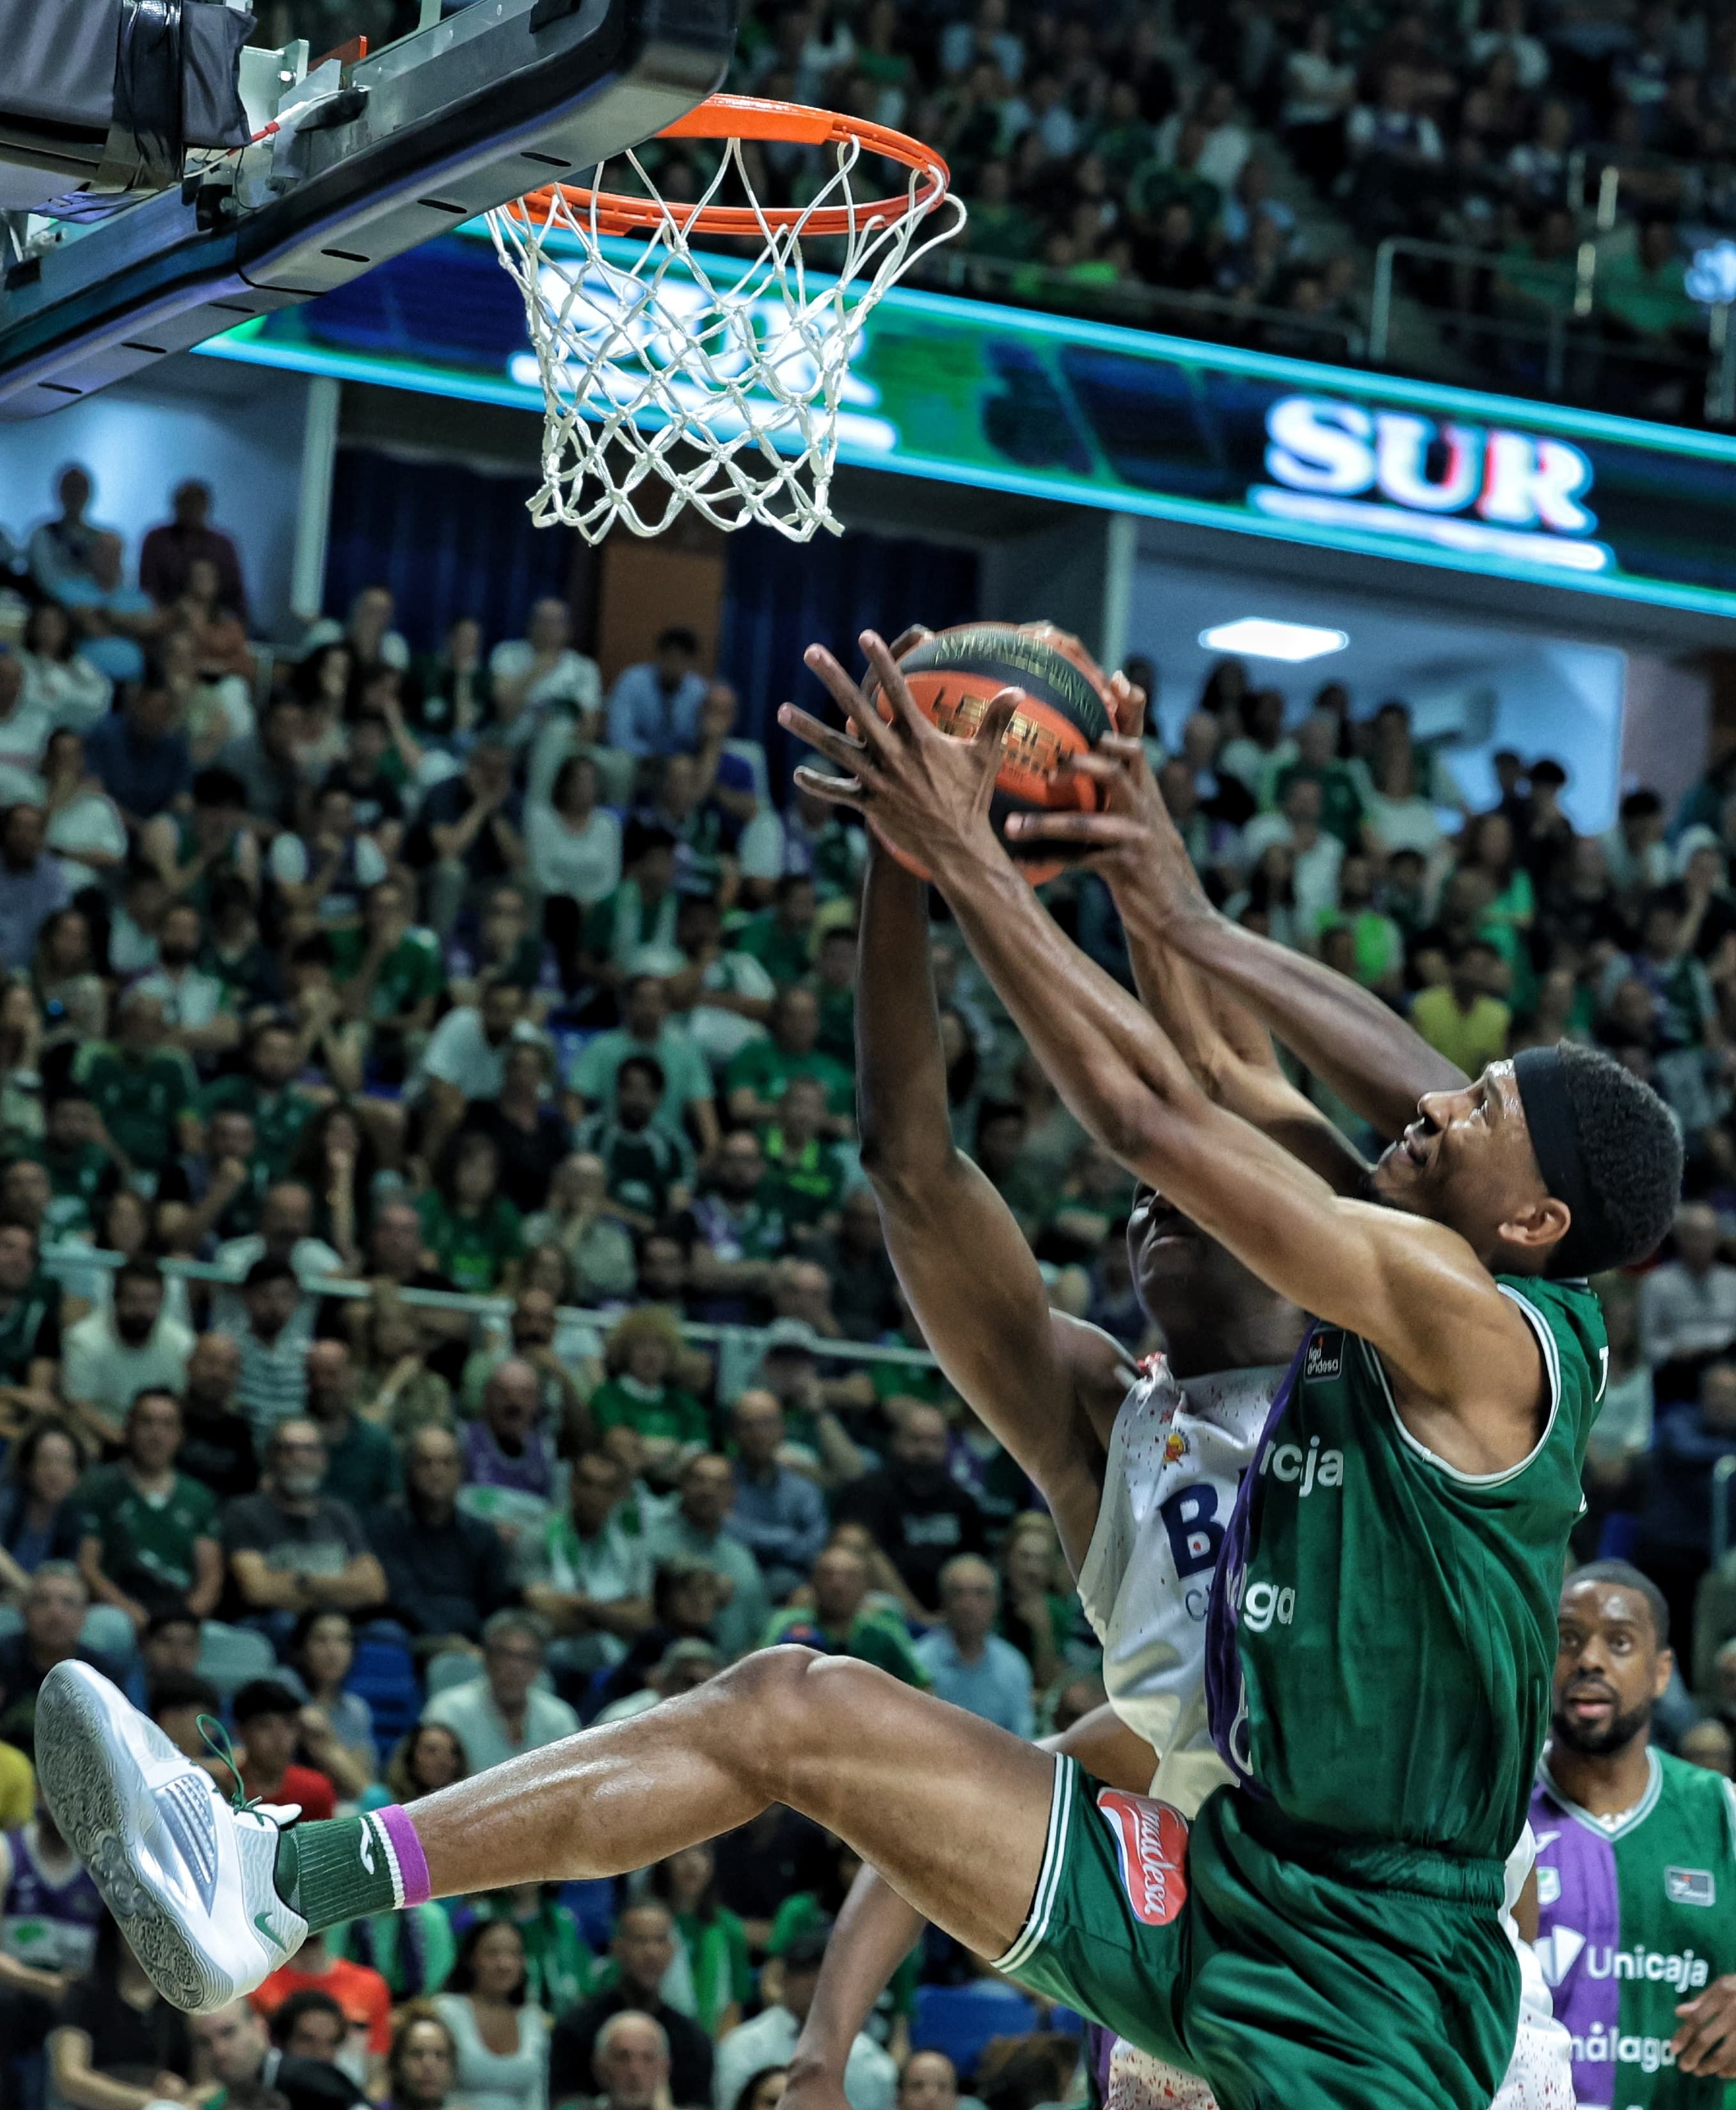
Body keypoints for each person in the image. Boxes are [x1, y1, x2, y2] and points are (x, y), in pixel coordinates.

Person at [43, 649, 1678, 2110]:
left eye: (1477, 1115)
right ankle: (276, 1878)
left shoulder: (1480, 1325)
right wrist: (1102, 898)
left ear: (1531, 1220)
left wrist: (974, 856)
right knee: (786, 1702)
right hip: (1229, 1875)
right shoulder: (1323, 1318)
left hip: (1380, 1991)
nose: (1432, 1107)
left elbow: (1171, 1115)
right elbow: (1199, 1087)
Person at [1531, 1562, 1736, 2102]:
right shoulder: (1494, 1813)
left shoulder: (1722, 1811)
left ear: (1661, 1672)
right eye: (1567, 1640)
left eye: (1618, 1643)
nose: (1589, 1660)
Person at [221, 1420, 389, 1636]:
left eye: (310, 1450)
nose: (299, 1459)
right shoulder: (244, 1512)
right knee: (285, 1624)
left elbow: (374, 1589)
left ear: (325, 1459)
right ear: (271, 1459)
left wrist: (304, 1582)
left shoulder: (340, 1514)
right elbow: (258, 1590)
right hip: (274, 1628)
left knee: (388, 1633)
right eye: (288, 1450)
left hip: (339, 1626)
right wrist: (341, 1587)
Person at [75, 1389, 221, 1631]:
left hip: (181, 1620)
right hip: (116, 1615)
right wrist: (132, 1614)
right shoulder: (98, 1488)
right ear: (128, 1428)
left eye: (167, 1424)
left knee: (249, 1648)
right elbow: (88, 1568)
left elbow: (211, 1579)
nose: (157, 1434)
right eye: (147, 1422)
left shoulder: (199, 1497)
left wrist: (181, 1621)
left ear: (180, 1434)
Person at [550, 1903, 714, 2110]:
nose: (651, 1952)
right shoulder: (575, 2029)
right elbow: (563, 2103)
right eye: (640, 1940)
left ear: (672, 1951)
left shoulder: (692, 2039)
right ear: (616, 1947)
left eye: (660, 1940)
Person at [369, 1426, 518, 1651]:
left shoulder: (482, 1533)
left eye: (447, 1463)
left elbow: (496, 1603)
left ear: (461, 1471)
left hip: (474, 1642)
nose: (436, 1472)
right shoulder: (384, 1527)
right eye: (425, 1463)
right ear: (409, 1470)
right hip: (411, 1639)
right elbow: (402, 1600)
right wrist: (450, 1641)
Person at [832, 1407, 987, 1622]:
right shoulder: (868, 1492)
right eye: (916, 1440)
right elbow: (860, 1552)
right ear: (895, 1441)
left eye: (935, 1442)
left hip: (951, 1620)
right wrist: (918, 1617)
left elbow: (977, 1561)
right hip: (879, 1610)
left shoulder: (962, 1502)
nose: (926, 1450)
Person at [712, 1927, 893, 2110]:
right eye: (803, 1972)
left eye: (827, 1974)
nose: (814, 1983)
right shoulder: (744, 2046)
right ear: (783, 1979)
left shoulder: (869, 2057)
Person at [47, 1913, 194, 2110]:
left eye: (157, 1929)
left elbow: (212, 2080)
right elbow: (69, 2077)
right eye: (139, 1927)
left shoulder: (188, 2000)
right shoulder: (84, 1994)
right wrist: (147, 2102)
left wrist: (185, 2095)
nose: (148, 1938)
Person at [420, 1610, 580, 1773]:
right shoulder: (448, 1711)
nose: (515, 1667)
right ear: (487, 1658)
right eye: (506, 1654)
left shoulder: (559, 1718)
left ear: (539, 1666)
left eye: (526, 1657)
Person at [646, 1455, 769, 1664]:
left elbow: (758, 1633)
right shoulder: (650, 1542)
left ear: (732, 1494)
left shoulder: (741, 1558)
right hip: (662, 1667)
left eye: (720, 1484)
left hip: (732, 1676)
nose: (708, 1491)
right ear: (682, 1485)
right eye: (699, 1480)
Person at [61, 1262, 196, 1441]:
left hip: (158, 1437)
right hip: (103, 1436)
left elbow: (181, 1400)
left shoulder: (182, 1343)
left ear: (162, 1301)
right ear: (116, 1300)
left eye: (150, 1300)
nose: (141, 1310)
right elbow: (79, 1406)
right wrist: (127, 1442)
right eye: (133, 1300)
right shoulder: (84, 1340)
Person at [433, 1919, 550, 2110]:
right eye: (492, 1953)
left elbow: (538, 2098)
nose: (504, 1964)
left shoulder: (534, 2019)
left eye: (514, 1954)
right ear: (471, 1959)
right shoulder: (446, 2012)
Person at [912, 1555, 1033, 1738]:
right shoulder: (919, 1661)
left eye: (981, 1593)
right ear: (943, 1602)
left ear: (996, 1603)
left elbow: (1024, 1740)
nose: (969, 1604)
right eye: (958, 1593)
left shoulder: (1013, 1665)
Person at [725, 1392, 828, 1603]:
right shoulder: (719, 1480)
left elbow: (813, 1548)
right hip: (730, 1574)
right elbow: (724, 1532)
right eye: (748, 1425)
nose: (758, 1434)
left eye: (767, 1423)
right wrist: (788, 1538)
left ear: (782, 1429)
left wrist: (751, 1534)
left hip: (791, 1582)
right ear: (734, 1432)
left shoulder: (804, 1490)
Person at [189, 1997, 368, 2110]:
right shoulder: (221, 2097)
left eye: (229, 2033)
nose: (218, 2050)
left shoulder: (305, 2079)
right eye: (203, 2042)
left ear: (259, 2027)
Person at [648, 1844, 750, 2039]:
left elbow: (733, 2008)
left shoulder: (729, 1927)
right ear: (662, 1860)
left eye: (702, 1853)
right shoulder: (644, 1924)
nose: (692, 1863)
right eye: (681, 1853)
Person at [605, 630, 709, 759]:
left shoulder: (698, 691)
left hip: (677, 761)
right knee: (620, 761)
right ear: (659, 657)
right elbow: (619, 736)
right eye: (671, 658)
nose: (675, 666)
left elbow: (695, 740)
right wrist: (652, 756)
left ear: (692, 663)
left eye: (683, 660)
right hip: (637, 757)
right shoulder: (633, 681)